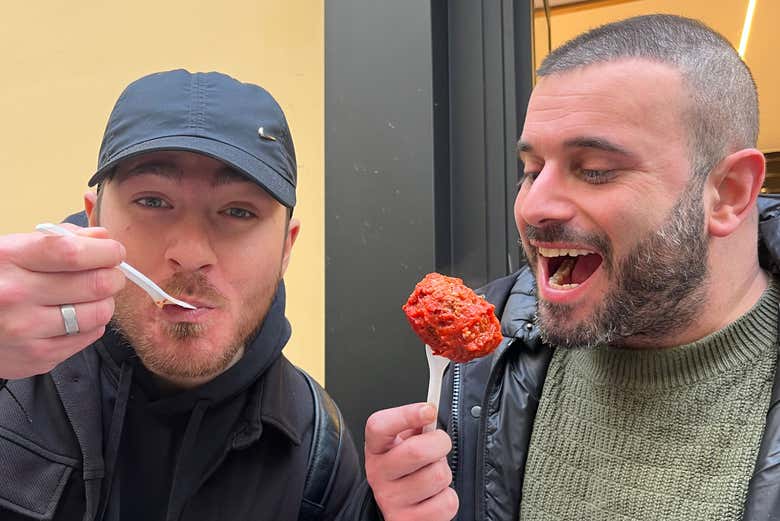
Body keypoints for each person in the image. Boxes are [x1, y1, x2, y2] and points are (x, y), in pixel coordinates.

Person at [363, 14, 780, 521]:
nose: (534, 206)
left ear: (729, 192)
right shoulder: (484, 365)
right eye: (531, 170)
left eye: (595, 171)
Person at [0, 69, 367, 520]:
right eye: (153, 201)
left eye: (237, 210)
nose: (190, 254)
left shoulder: (316, 448)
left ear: (286, 248)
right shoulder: (13, 370)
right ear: (95, 220)